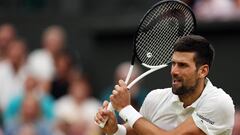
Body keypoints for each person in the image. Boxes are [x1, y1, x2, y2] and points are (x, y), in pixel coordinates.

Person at [95, 35, 235, 135]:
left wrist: (125, 109)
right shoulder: (155, 98)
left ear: (203, 71)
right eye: (173, 63)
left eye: (182, 65)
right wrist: (114, 129)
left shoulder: (219, 103)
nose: (174, 71)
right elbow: (135, 131)